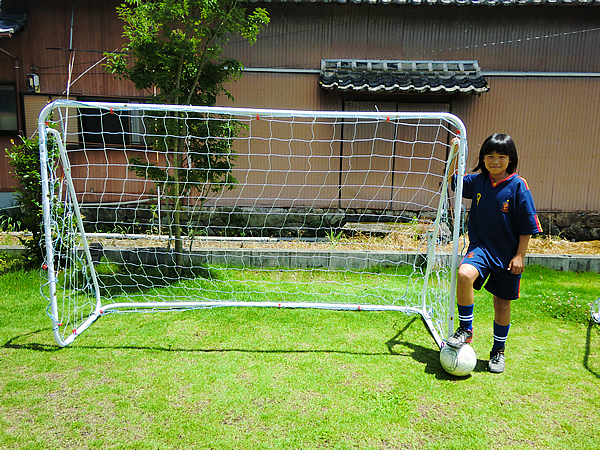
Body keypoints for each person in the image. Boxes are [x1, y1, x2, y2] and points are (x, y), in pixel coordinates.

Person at [447, 133, 543, 373]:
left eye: (501, 156)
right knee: (464, 274)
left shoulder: (519, 185)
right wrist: (454, 154)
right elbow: (454, 182)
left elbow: (526, 225)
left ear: (510, 159)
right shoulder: (478, 181)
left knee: (501, 304)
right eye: (490, 156)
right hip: (480, 248)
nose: (495, 161)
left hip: (508, 254)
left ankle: (498, 351)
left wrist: (520, 255)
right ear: (483, 158)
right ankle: (466, 330)